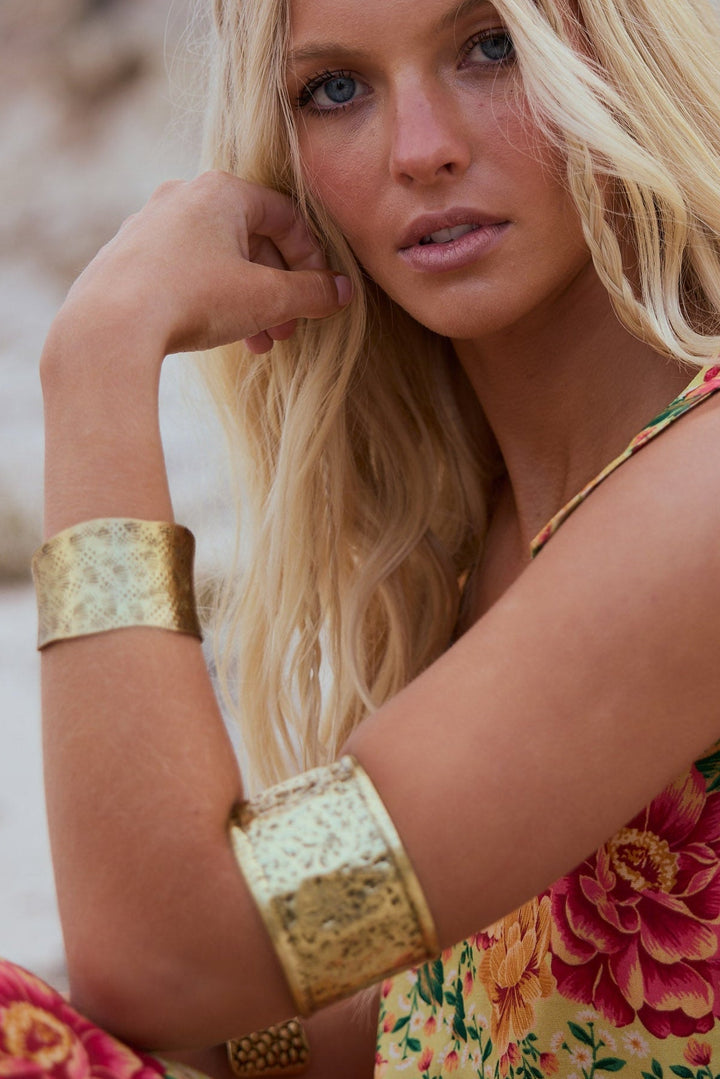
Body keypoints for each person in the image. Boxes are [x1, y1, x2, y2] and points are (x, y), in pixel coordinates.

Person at [3, 0, 720, 1076]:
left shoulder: (699, 503)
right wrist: (217, 1029)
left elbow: (166, 961)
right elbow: (454, 1006)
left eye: (492, 47)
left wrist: (99, 360)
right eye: (335, 89)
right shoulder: (495, 523)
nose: (420, 149)